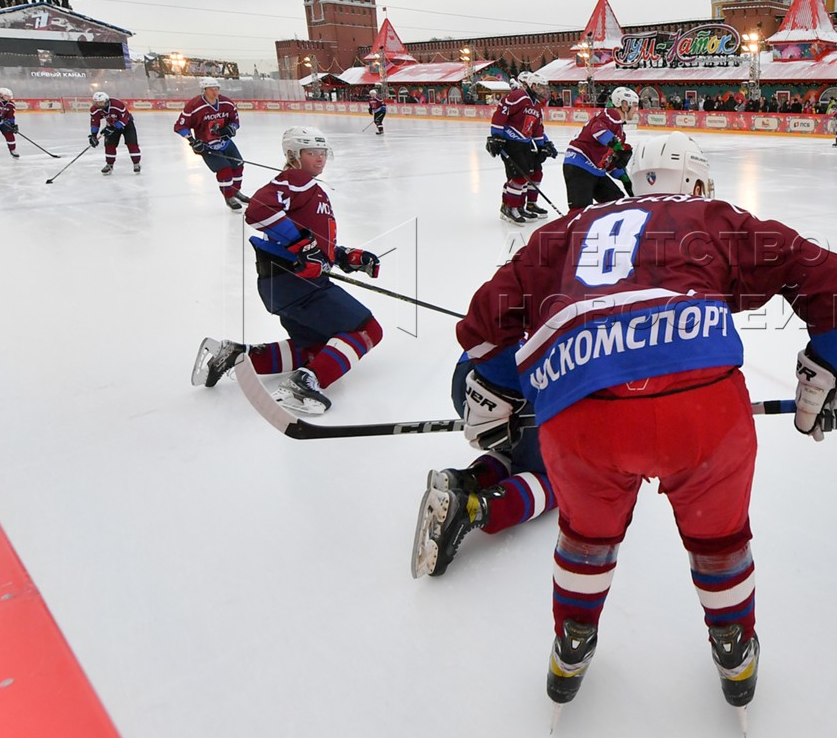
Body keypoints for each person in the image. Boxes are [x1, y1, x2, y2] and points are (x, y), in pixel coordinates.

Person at [452, 131, 837, 720]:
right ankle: (733, 649)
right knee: (718, 539)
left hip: (580, 411)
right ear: (696, 183)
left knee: (586, 536)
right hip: (699, 407)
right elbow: (830, 280)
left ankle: (571, 641)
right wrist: (831, 363)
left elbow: (487, 317)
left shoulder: (566, 228)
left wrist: (496, 383)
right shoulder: (711, 217)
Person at [191, 126, 384, 415]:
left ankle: (234, 355)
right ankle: (305, 383)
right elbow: (258, 210)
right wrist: (303, 246)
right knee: (368, 330)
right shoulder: (295, 180)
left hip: (281, 283)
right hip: (297, 281)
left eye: (322, 153)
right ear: (294, 155)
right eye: (311, 153)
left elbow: (311, 241)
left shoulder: (309, 188)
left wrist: (345, 256)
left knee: (315, 348)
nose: (319, 159)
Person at [412, 356, 558, 579]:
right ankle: (474, 507)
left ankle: (466, 480)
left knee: (512, 447)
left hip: (468, 382)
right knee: (560, 477)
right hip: (530, 394)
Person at [485, 72, 555, 223]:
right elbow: (501, 113)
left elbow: (537, 128)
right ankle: (511, 207)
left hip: (525, 144)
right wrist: (496, 136)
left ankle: (519, 206)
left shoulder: (536, 105)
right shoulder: (519, 96)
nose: (544, 90)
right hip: (510, 142)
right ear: (533, 85)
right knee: (519, 176)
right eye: (542, 87)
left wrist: (543, 145)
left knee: (531, 174)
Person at [562, 85, 638, 209]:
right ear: (624, 104)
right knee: (580, 211)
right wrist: (618, 147)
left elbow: (609, 161)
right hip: (579, 165)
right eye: (634, 105)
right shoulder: (611, 114)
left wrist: (625, 179)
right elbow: (597, 130)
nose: (636, 109)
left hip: (596, 170)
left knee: (616, 202)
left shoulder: (621, 132)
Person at [175, 77, 245, 209]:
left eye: (216, 88)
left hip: (225, 142)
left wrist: (231, 128)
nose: (215, 92)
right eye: (211, 89)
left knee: (238, 165)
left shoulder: (227, 103)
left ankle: (235, 191)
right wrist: (192, 141)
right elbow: (180, 126)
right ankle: (228, 196)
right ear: (204, 90)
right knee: (224, 170)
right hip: (207, 146)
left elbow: (235, 121)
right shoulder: (194, 106)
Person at [89, 91, 140, 174]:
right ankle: (109, 165)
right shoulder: (94, 109)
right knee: (109, 145)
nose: (98, 105)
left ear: (106, 101)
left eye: (101, 102)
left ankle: (136, 163)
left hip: (127, 124)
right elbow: (95, 121)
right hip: (111, 124)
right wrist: (93, 135)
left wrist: (113, 127)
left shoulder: (117, 104)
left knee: (132, 143)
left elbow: (124, 118)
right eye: (97, 103)